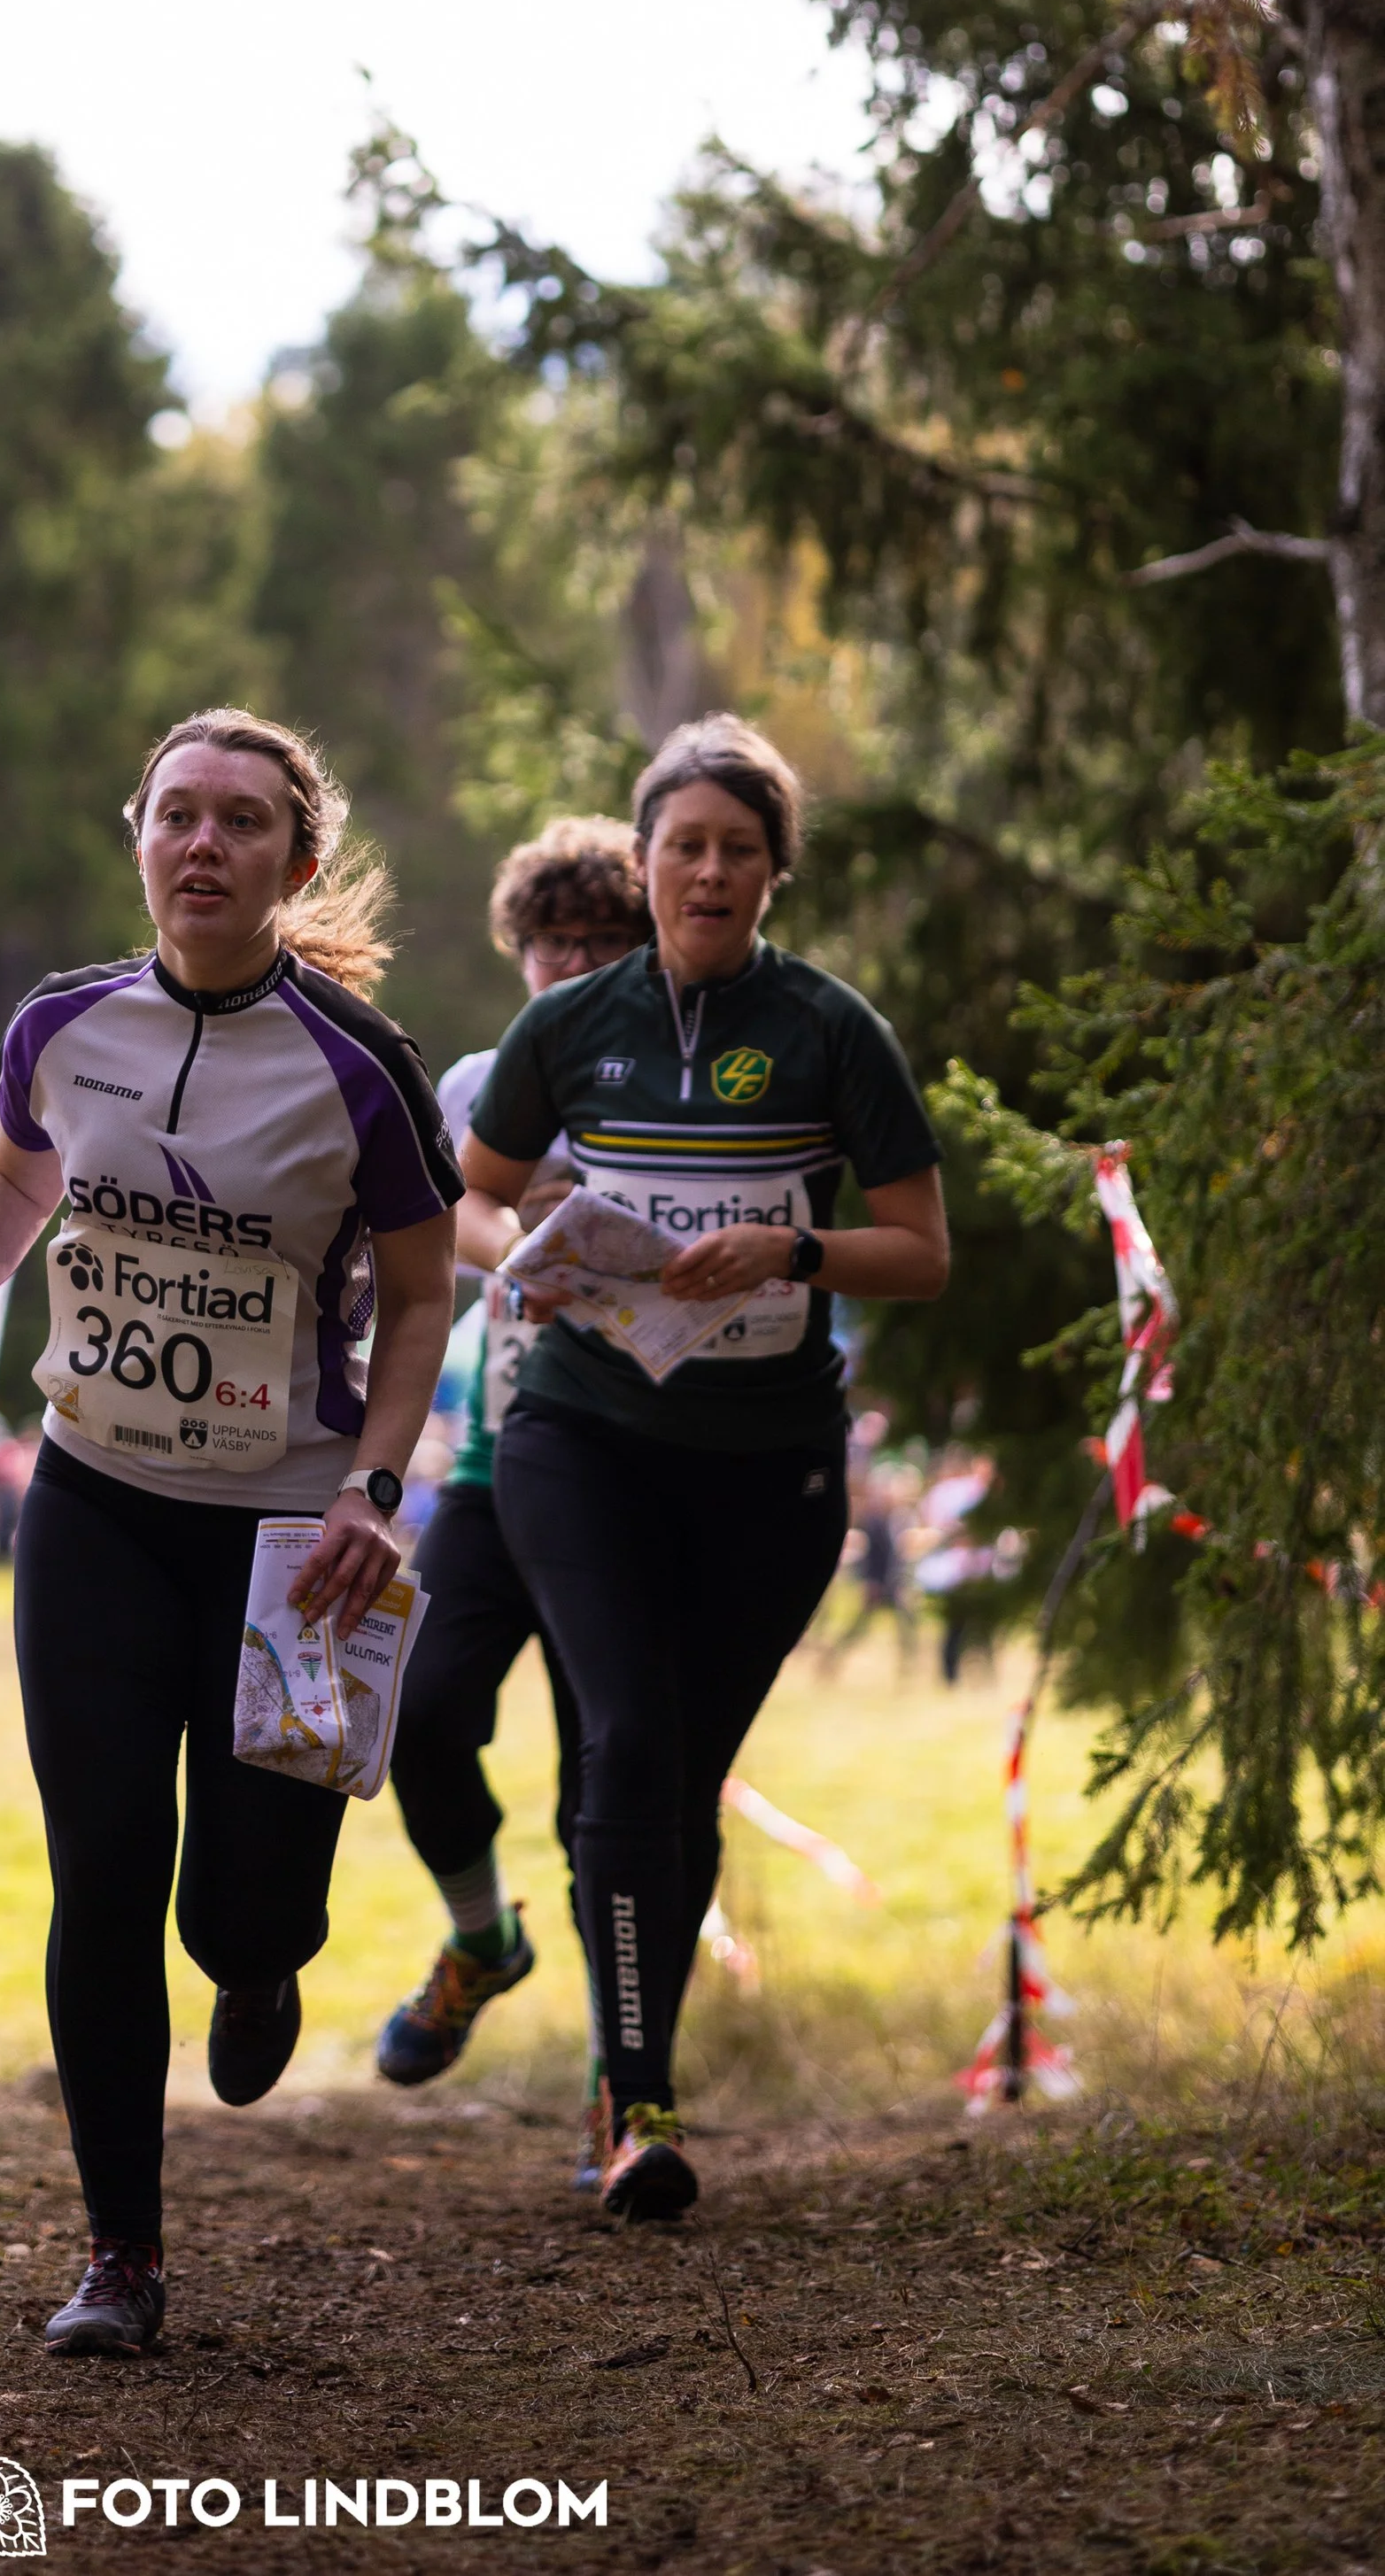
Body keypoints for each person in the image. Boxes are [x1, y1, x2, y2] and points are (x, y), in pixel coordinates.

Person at [0, 708, 460, 2356]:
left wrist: (375, 1487)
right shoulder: (65, 1024)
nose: (205, 845)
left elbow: (424, 1297)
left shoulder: (358, 1066)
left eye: (244, 822)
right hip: (99, 1508)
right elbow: (12, 1185)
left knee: (236, 1916)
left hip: (293, 1535)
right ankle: (119, 2255)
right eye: (178, 816)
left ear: (298, 861)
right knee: (105, 1874)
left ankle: (265, 1965)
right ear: (138, 837)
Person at [463, 716, 948, 2220]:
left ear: (775, 872)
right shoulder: (570, 1028)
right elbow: (472, 1205)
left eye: (742, 847)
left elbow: (923, 1253)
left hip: (769, 1463)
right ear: (646, 859)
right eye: (686, 844)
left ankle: (631, 2070)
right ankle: (637, 2100)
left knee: (682, 1777)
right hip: (582, 1434)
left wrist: (792, 1246)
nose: (712, 869)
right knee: (622, 1736)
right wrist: (532, 1263)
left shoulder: (828, 1032)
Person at [375, 820, 651, 2138]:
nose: (575, 965)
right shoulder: (482, 1080)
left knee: (612, 1777)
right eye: (554, 943)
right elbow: (434, 1235)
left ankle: (624, 2073)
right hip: (496, 1454)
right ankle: (481, 1940)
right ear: (519, 949)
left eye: (606, 944)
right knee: (420, 1709)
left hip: (646, 1463)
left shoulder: (671, 1081)